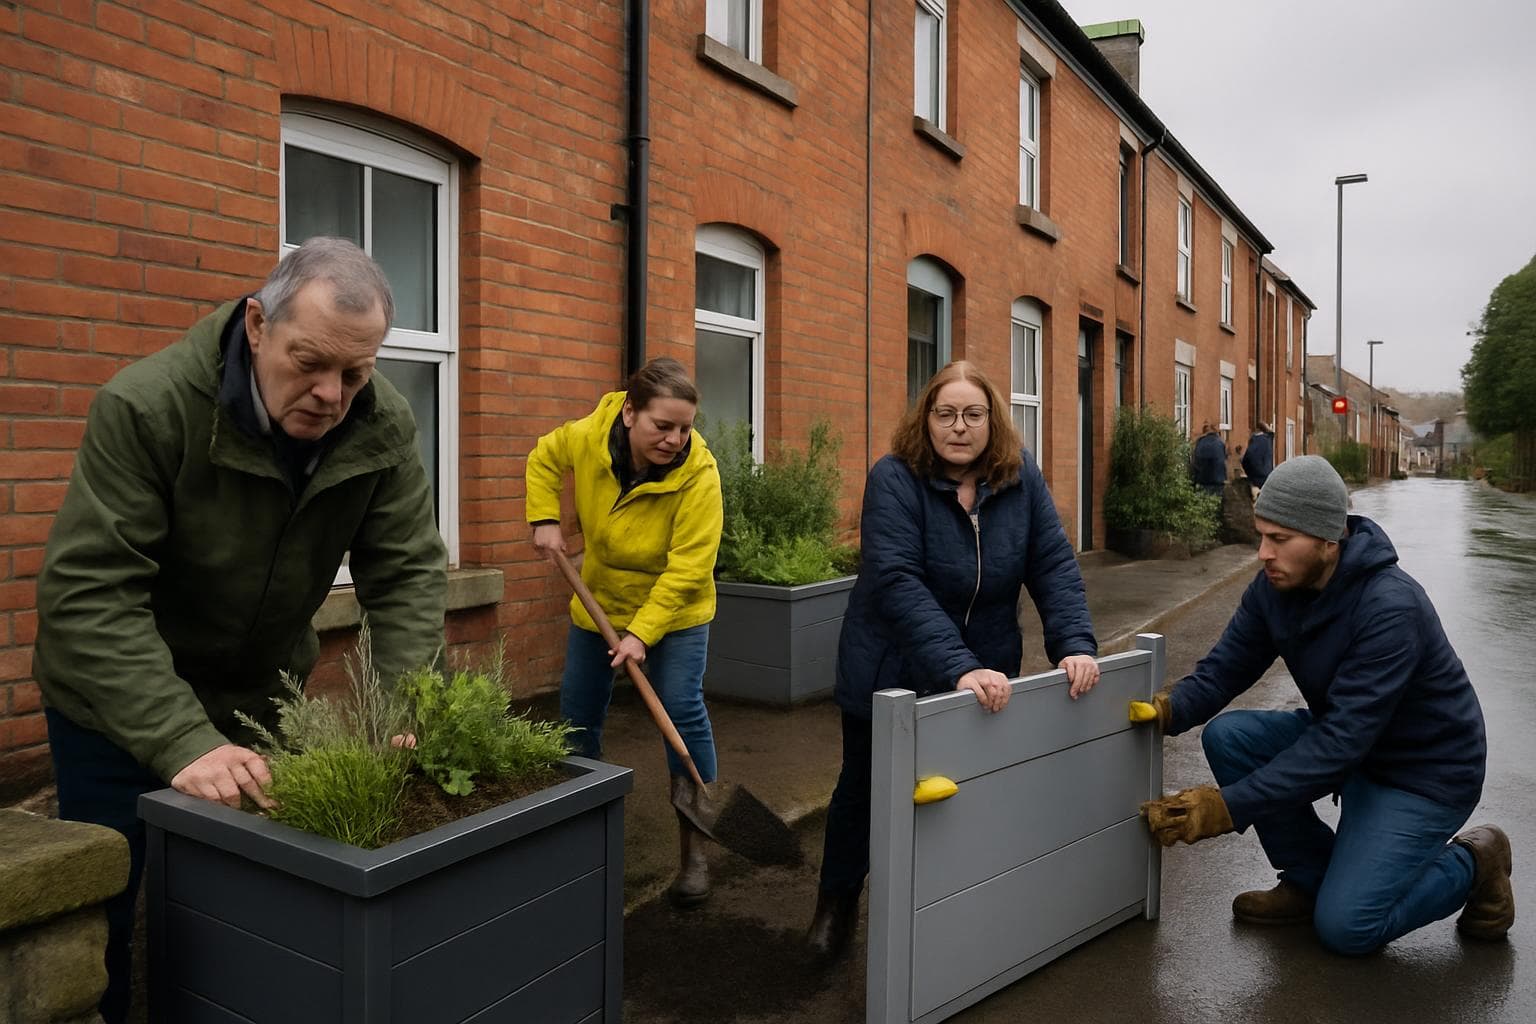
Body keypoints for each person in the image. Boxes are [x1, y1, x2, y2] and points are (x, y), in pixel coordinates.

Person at [33, 236, 448, 1024]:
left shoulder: (379, 425)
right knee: (107, 910)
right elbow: (90, 596)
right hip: (115, 705)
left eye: (355, 373)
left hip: (257, 694)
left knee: (253, 902)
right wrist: (181, 741)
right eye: (310, 362)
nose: (331, 394)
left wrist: (404, 707)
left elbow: (406, 573)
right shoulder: (146, 407)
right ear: (258, 324)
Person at [1133, 455, 1511, 954]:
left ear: (1328, 540)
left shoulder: (1390, 607)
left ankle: (1476, 860)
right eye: (1262, 535)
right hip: (1355, 743)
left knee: (1349, 928)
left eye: (1280, 539)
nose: (1263, 553)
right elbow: (1225, 670)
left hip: (1424, 773)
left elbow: (1340, 744)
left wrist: (1226, 808)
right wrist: (1166, 709)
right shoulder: (1275, 588)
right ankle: (1310, 880)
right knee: (1230, 737)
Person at [806, 360, 1101, 963]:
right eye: (945, 414)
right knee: (864, 792)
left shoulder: (1022, 480)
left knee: (968, 794)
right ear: (927, 419)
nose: (959, 427)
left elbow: (1053, 566)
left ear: (993, 421)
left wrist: (1073, 644)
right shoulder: (894, 478)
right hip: (890, 670)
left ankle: (956, 911)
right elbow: (895, 580)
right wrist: (958, 665)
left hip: (984, 672)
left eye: (972, 415)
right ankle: (836, 906)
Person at [525, 357, 724, 908]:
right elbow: (545, 455)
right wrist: (543, 516)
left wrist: (642, 634)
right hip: (600, 604)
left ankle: (695, 846)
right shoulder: (590, 435)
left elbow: (688, 569)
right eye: (663, 426)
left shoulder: (699, 476)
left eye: (685, 428)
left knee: (680, 709)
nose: (675, 439)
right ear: (630, 412)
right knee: (578, 711)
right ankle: (574, 831)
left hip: (676, 613)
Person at [1191, 420, 1228, 497]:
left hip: (1202, 480)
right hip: (1218, 481)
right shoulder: (1220, 443)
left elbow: (1195, 462)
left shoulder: (1199, 443)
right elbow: (1224, 460)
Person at [1241, 421, 1274, 492]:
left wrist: (1250, 473)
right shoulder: (1267, 440)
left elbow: (1248, 459)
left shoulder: (1257, 441)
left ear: (1256, 429)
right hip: (1266, 475)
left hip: (1257, 477)